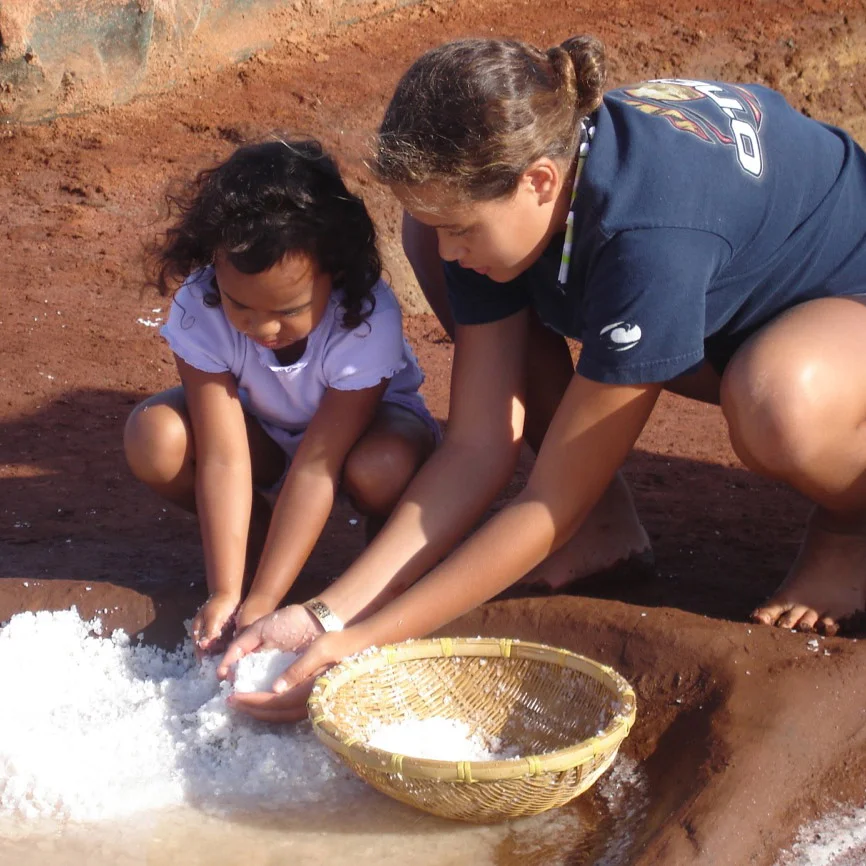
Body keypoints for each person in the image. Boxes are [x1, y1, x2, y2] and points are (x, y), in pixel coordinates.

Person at [218, 36, 866, 721]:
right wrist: (325, 618)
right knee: (446, 254)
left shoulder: (648, 238)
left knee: (779, 403)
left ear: (539, 182)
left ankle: (850, 527)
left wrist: (368, 641)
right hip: (727, 294)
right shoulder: (533, 180)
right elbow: (478, 445)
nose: (447, 245)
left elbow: (548, 498)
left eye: (461, 225)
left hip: (836, 308)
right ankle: (604, 523)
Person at [124, 138, 438, 656]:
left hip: (361, 437)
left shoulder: (364, 315)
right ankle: (258, 540)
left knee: (381, 468)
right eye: (239, 305)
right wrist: (229, 592)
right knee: (154, 436)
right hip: (263, 439)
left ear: (333, 273)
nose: (262, 327)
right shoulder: (199, 307)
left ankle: (382, 561)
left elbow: (318, 465)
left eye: (289, 309)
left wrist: (266, 598)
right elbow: (224, 456)